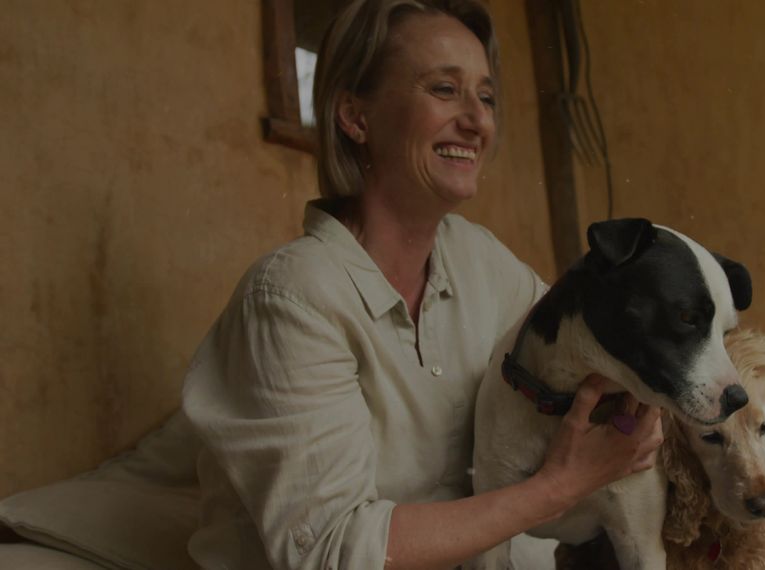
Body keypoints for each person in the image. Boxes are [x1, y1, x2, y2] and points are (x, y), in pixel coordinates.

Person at [181, 1, 663, 568]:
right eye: (443, 89)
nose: (477, 120)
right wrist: (558, 487)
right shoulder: (291, 298)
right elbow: (336, 551)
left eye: (485, 97)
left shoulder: (480, 260)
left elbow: (578, 364)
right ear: (354, 117)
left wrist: (638, 416)